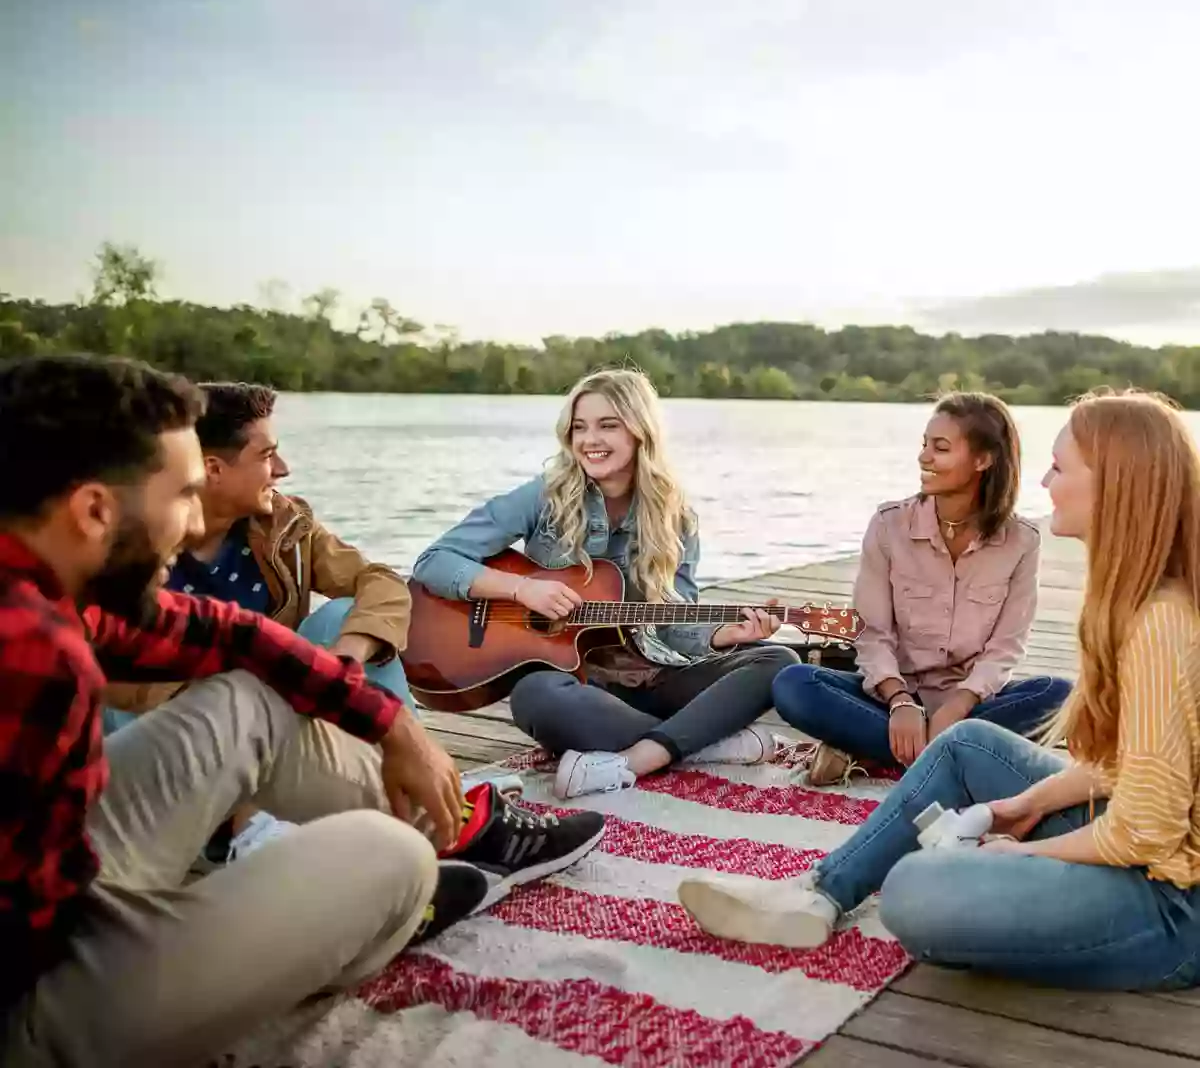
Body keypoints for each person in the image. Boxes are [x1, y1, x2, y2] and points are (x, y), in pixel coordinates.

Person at [0, 354, 604, 1067]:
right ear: (94, 510)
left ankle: (459, 825)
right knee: (394, 863)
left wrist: (392, 722)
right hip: (30, 992)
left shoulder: (54, 592)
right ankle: (376, 887)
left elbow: (230, 633)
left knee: (250, 693)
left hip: (52, 892)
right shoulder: (32, 650)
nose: (191, 518)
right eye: (182, 495)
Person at [678, 389, 1200, 993]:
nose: (1047, 482)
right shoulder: (1135, 602)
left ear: (1114, 483)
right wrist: (1028, 804)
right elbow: (1128, 765)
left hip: (1173, 907)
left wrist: (1023, 855)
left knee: (913, 892)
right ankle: (818, 897)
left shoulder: (1160, 619)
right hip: (911, 708)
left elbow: (1148, 831)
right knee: (967, 745)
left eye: (1061, 467)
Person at [411, 367, 799, 801]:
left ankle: (639, 756)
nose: (589, 440)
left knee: (777, 659)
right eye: (579, 428)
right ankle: (706, 741)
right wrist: (521, 590)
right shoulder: (544, 496)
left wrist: (724, 635)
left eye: (607, 425)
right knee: (535, 697)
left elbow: (672, 622)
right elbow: (434, 562)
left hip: (656, 678)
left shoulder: (676, 518)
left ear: (640, 431)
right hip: (581, 688)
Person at [773, 392, 1070, 786]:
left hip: (969, 703)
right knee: (794, 685)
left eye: (941, 448)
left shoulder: (1022, 541)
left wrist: (959, 704)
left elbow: (1005, 649)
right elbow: (871, 632)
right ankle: (955, 753)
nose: (924, 457)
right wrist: (899, 701)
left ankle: (875, 749)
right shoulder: (888, 525)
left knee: (1061, 695)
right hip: (886, 700)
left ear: (983, 460)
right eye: (925, 445)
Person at [102, 380, 415, 734]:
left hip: (279, 704)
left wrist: (345, 658)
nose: (283, 468)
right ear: (213, 469)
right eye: (267, 455)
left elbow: (382, 582)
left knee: (341, 615)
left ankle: (420, 775)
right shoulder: (132, 539)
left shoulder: (284, 525)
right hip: (178, 727)